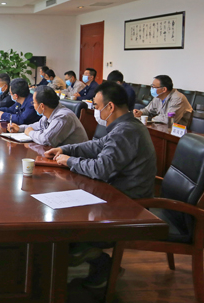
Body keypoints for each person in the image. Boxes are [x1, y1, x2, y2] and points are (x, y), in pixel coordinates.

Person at [44, 81, 156, 288]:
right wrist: (66, 149)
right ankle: (92, 261)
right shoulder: (124, 125)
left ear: (110, 106)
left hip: (127, 203)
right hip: (115, 193)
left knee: (63, 216)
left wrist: (70, 161)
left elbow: (101, 169)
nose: (95, 110)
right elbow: (97, 146)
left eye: (96, 106)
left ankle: (93, 260)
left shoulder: (126, 131)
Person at [8, 86, 88, 146]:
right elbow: (38, 126)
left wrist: (30, 133)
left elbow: (46, 140)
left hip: (74, 158)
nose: (33, 105)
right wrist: (19, 128)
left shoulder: (63, 117)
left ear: (42, 106)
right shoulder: (49, 113)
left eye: (34, 103)